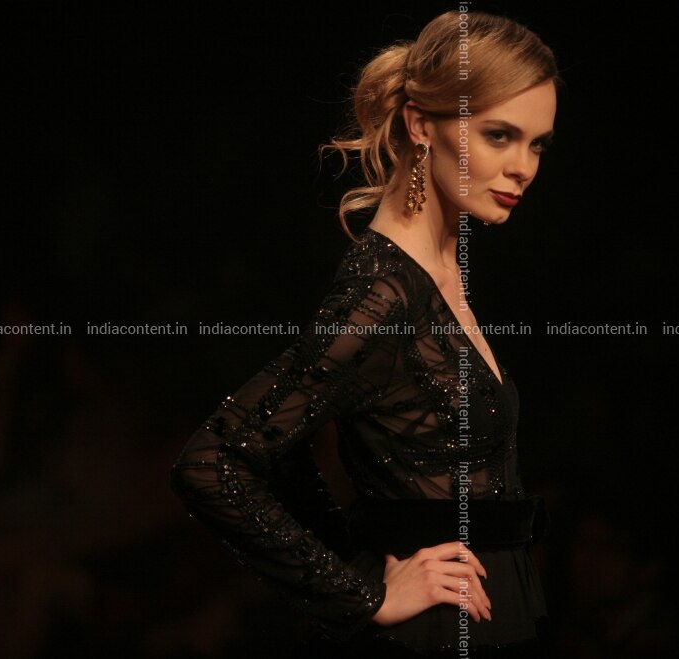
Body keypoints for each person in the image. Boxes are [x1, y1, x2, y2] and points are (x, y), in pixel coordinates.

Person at [170, 10, 559, 658]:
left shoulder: (437, 271)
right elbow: (214, 461)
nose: (523, 167)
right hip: (431, 634)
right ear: (420, 125)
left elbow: (294, 453)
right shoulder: (382, 294)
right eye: (499, 136)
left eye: (538, 144)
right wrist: (359, 592)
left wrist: (352, 550)